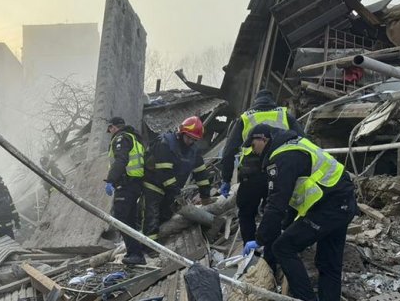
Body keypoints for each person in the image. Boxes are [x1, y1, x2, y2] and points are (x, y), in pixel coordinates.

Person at [242, 123, 357, 301]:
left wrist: (259, 239)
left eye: (253, 144)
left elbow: (276, 204)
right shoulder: (294, 146)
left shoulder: (282, 158)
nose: (253, 150)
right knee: (328, 261)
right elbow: (295, 197)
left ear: (263, 139)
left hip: (330, 207)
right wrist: (286, 225)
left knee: (282, 247)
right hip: (342, 202)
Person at [219, 89, 304, 247]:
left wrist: (225, 178)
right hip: (280, 171)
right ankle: (274, 247)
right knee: (275, 211)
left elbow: (229, 151)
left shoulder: (245, 118)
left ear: (255, 101)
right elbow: (303, 140)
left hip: (251, 176)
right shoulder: (284, 114)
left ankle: (250, 249)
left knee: (246, 213)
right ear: (272, 100)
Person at [141, 116, 212, 264]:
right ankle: (149, 247)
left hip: (171, 188)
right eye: (189, 138)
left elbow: (201, 173)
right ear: (182, 133)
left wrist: (205, 194)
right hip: (154, 183)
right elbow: (164, 173)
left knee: (166, 215)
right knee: (152, 214)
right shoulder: (165, 143)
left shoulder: (193, 151)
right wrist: (176, 193)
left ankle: (156, 237)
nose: (191, 142)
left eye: (194, 139)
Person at [103, 116, 146, 265]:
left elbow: (121, 160)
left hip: (126, 184)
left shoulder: (121, 139)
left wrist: (111, 180)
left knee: (121, 218)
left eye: (110, 129)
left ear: (114, 127)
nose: (110, 132)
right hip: (135, 184)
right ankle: (135, 252)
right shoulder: (134, 138)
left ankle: (136, 254)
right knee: (130, 220)